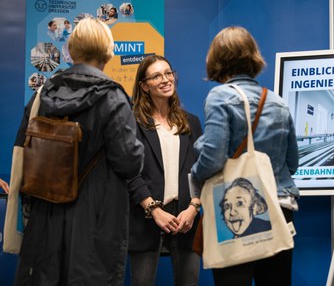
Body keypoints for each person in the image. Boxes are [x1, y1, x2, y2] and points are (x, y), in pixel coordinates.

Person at [13, 18, 144, 285]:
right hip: (96, 219)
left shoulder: (43, 94)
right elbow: (130, 162)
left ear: (71, 50)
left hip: (45, 215)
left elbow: (24, 151)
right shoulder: (114, 98)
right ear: (109, 51)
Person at [190, 26, 299, 286]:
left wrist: (196, 172)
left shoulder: (220, 97)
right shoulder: (278, 102)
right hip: (280, 207)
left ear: (217, 59)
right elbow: (292, 163)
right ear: (252, 56)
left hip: (238, 210)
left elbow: (213, 158)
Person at [127, 54, 203, 286]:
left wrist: (194, 207)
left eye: (168, 73)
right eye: (157, 76)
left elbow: (202, 170)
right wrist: (153, 209)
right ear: (144, 86)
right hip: (146, 218)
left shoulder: (191, 122)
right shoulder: (132, 122)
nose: (165, 79)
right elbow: (128, 172)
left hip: (185, 220)